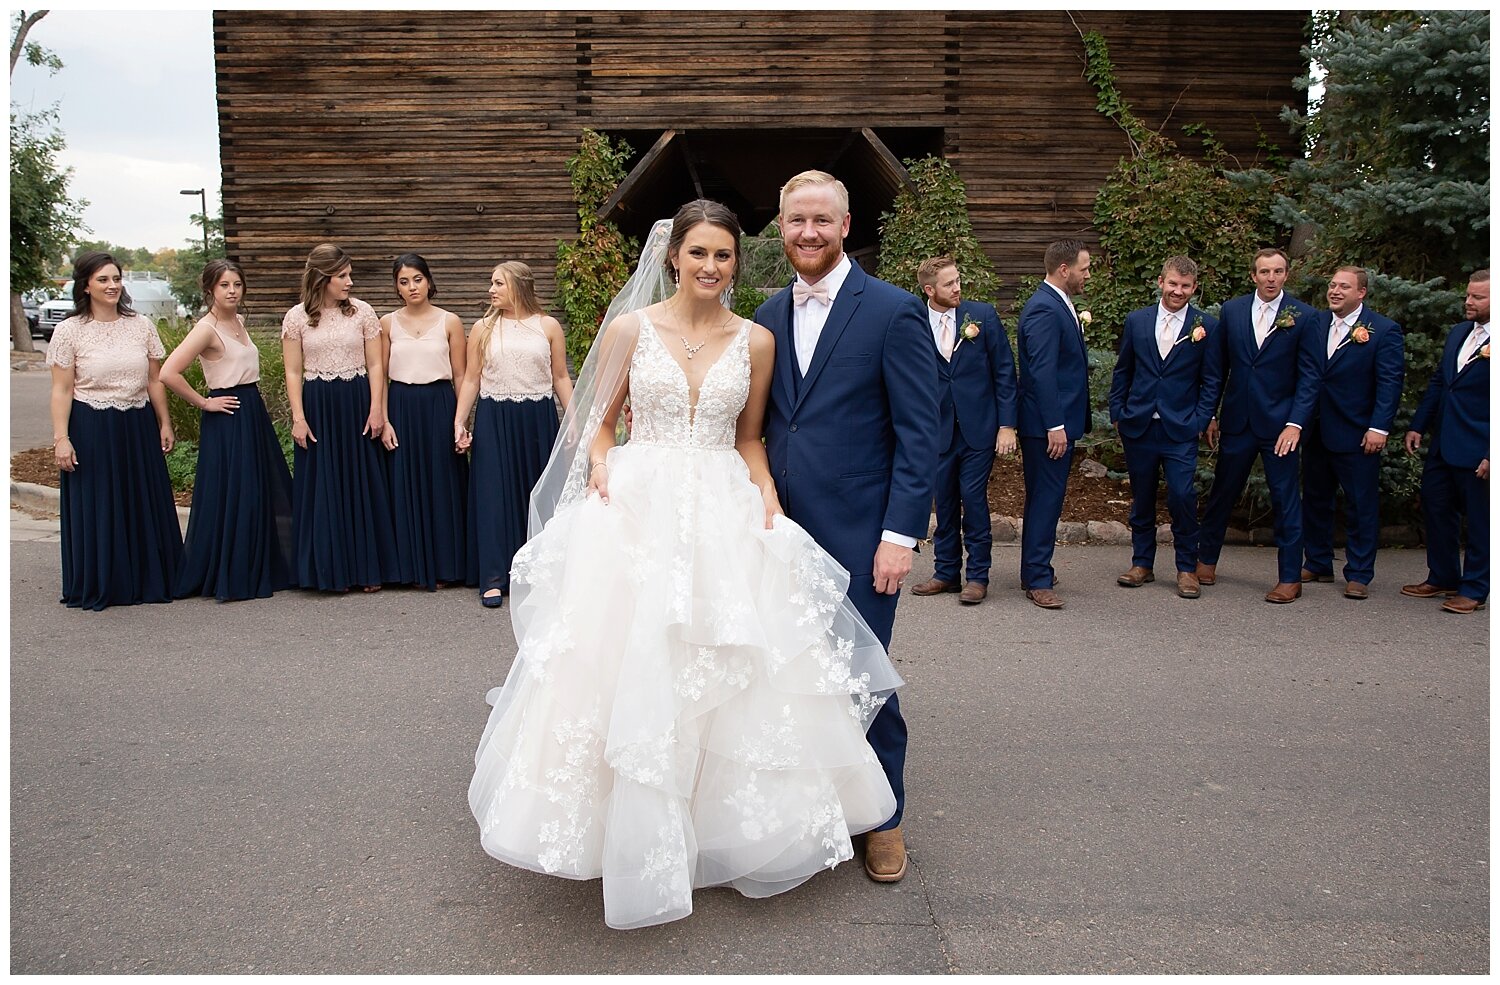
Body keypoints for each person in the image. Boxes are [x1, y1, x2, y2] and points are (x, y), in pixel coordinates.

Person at [468, 201, 903, 930]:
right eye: (698, 252)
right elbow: (597, 424)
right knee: (630, 665)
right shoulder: (632, 331)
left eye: (724, 256)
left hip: (724, 504)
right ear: (674, 257)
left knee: (730, 668)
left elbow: (751, 437)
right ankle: (631, 830)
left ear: (737, 263)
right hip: (641, 503)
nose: (710, 267)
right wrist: (604, 465)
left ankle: (718, 830)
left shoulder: (756, 340)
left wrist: (765, 494)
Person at [756, 171, 938, 883]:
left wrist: (900, 532)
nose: (808, 232)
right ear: (781, 226)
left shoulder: (892, 311)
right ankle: (814, 805)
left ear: (846, 223)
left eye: (821, 221)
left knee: (862, 674)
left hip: (864, 532)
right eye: (796, 220)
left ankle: (884, 817)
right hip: (778, 532)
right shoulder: (767, 312)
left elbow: (921, 433)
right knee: (789, 676)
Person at [46, 250, 183, 610]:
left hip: (137, 423)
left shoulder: (141, 325)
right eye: (103, 279)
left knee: (142, 499)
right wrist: (62, 438)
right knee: (102, 504)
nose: (112, 285)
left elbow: (154, 379)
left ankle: (149, 579)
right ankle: (107, 582)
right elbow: (61, 390)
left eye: (116, 278)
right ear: (86, 285)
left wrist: (164, 421)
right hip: (91, 424)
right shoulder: (70, 331)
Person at [161, 259, 294, 601]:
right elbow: (168, 373)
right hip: (228, 415)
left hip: (252, 412)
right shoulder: (206, 329)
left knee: (260, 489)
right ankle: (232, 570)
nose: (232, 291)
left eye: (237, 284)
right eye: (224, 285)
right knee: (237, 492)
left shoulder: (239, 321)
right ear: (210, 290)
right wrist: (206, 403)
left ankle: (260, 562)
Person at [1195, 248, 1322, 603]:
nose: (1271, 278)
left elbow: (1311, 377)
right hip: (1238, 420)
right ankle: (1206, 559)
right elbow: (1217, 368)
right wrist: (1212, 414)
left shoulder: (1304, 316)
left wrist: (1296, 423)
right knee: (1222, 492)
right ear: (1253, 276)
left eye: (1278, 272)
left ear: (1286, 275)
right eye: (1264, 272)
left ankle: (1288, 577)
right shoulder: (1232, 311)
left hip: (1281, 425)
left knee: (1285, 500)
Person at [281, 243, 399, 592]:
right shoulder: (296, 317)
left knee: (362, 480)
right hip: (318, 403)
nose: (350, 282)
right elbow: (292, 371)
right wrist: (298, 417)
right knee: (323, 483)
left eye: (350, 275)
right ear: (322, 277)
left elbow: (377, 363)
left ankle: (366, 569)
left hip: (357, 399)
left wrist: (377, 407)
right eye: (342, 275)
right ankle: (327, 570)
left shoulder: (362, 312)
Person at [453, 261, 572, 607]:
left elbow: (561, 376)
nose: (491, 290)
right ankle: (492, 575)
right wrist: (460, 421)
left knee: (536, 493)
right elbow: (472, 379)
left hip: (537, 417)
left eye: (498, 283)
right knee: (492, 495)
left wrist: (574, 419)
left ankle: (537, 574)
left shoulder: (547, 326)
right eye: (491, 283)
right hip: (494, 416)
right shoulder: (482, 328)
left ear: (518, 287)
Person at [1107, 256, 1222, 599]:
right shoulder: (1137, 321)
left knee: (1182, 496)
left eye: (1185, 286)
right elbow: (1123, 370)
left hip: (1180, 427)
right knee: (1142, 497)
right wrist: (1118, 411)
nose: (1178, 291)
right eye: (1173, 284)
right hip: (1139, 424)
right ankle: (1142, 562)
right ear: (1160, 282)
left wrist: (1201, 419)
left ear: (1194, 288)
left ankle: (1187, 568)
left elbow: (1212, 379)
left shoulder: (1206, 326)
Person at [909, 256, 1018, 605]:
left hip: (979, 428)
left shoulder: (982, 316)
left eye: (958, 281)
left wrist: (1006, 425)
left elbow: (1004, 371)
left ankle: (978, 576)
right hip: (935, 430)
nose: (957, 288)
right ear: (930, 290)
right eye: (948, 284)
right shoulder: (912, 321)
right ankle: (946, 573)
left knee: (973, 500)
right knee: (943, 503)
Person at [1300, 266, 1404, 599]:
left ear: (1361, 293)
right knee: (1316, 498)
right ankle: (1317, 561)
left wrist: (1378, 427)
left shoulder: (1382, 331)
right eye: (1332, 285)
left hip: (1358, 432)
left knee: (1360, 504)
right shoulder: (1315, 324)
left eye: (1344, 286)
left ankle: (1359, 573)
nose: (1335, 291)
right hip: (1317, 429)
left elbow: (1389, 383)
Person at [1402, 269, 1489, 614]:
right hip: (1444, 441)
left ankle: (1475, 588)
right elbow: (1441, 382)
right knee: (1437, 507)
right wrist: (1418, 426)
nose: (1469, 302)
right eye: (1468, 295)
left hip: (1480, 445)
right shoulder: (1459, 333)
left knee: (1482, 520)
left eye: (1478, 298)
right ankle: (1443, 575)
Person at [379, 253, 468, 590]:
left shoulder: (450, 321)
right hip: (401, 405)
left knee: (441, 483)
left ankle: (447, 567)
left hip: (439, 404)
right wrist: (384, 419)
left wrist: (461, 422)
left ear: (429, 281)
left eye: (417, 279)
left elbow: (461, 375)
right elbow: (381, 376)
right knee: (404, 483)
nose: (411, 287)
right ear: (396, 287)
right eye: (403, 281)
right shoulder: (387, 323)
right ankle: (409, 568)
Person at [1015, 240, 1092, 609]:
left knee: (1045, 498)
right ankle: (1038, 578)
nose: (1087, 275)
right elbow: (1042, 372)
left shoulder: (1057, 303)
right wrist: (1055, 424)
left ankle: (1034, 569)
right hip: (1048, 426)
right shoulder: (1045, 309)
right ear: (1065, 269)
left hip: (1051, 423)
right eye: (1085, 268)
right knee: (1046, 499)